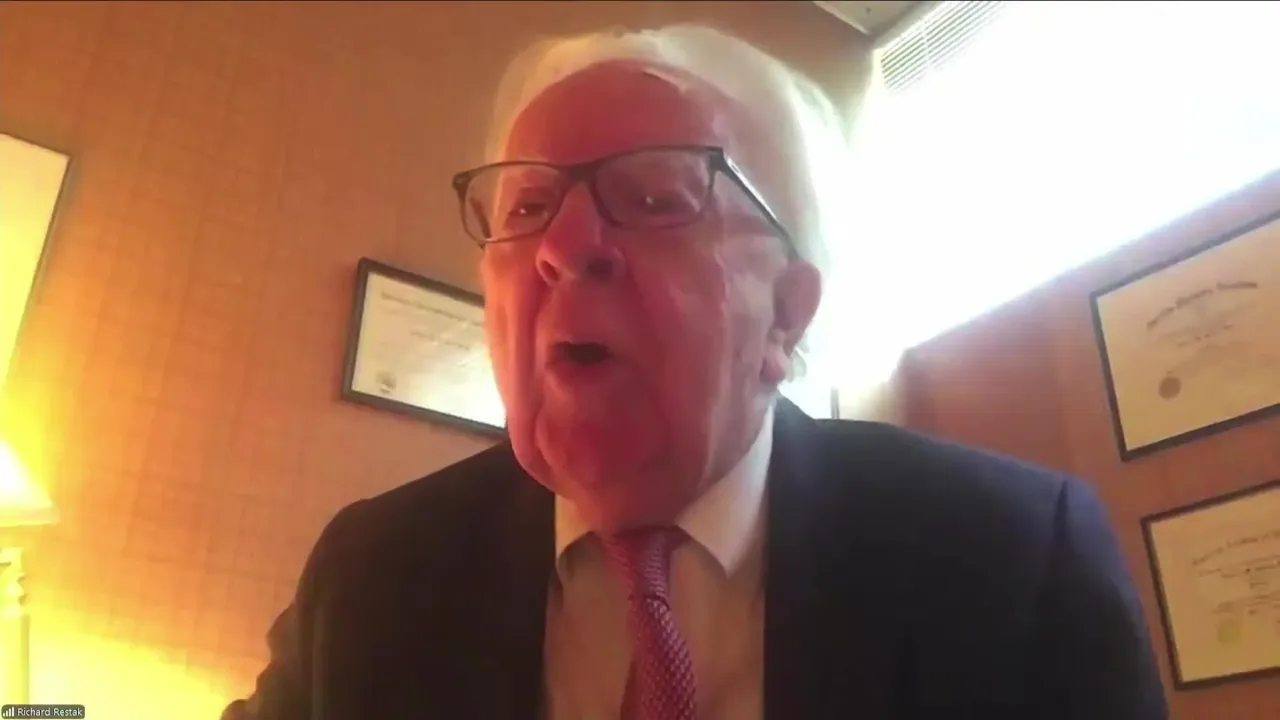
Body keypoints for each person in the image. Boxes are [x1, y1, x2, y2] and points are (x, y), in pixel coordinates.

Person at [223, 24, 1168, 720]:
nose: (563, 248)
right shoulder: (370, 576)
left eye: (653, 197)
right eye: (527, 208)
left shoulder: (1015, 560)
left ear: (785, 313)